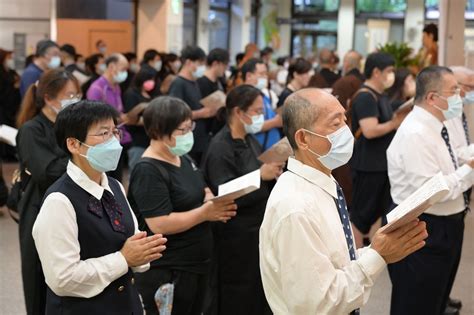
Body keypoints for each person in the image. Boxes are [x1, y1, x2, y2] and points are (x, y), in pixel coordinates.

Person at [259, 88, 428, 314]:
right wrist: (378, 257)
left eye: (345, 120)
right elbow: (319, 303)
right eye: (335, 124)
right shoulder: (295, 207)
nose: (346, 132)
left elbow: (335, 263)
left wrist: (376, 249)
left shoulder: (322, 181)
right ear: (303, 138)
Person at [32, 100, 167, 314]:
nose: (113, 141)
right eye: (103, 134)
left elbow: (131, 241)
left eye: (115, 132)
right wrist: (123, 259)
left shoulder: (113, 186)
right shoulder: (59, 201)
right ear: (73, 144)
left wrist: (143, 252)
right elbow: (62, 279)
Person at [127, 96, 237, 315]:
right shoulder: (148, 170)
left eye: (190, 127)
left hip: (197, 262)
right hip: (170, 268)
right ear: (159, 132)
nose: (189, 134)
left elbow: (201, 187)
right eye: (182, 130)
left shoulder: (182, 157)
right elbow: (160, 223)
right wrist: (205, 213)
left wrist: (212, 202)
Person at [387, 66, 474, 315]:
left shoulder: (435, 125)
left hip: (445, 224)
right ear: (433, 98)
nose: (460, 96)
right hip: (425, 227)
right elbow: (435, 191)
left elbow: (451, 158)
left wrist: (467, 159)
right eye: (454, 91)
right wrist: (469, 169)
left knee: (435, 298)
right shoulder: (415, 133)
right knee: (416, 303)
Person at [202, 85, 282, 315]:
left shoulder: (248, 139)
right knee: (238, 292)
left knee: (258, 289)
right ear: (238, 112)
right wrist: (260, 175)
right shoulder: (220, 147)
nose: (260, 118)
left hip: (257, 228)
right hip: (235, 235)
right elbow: (223, 193)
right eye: (257, 112)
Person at [16, 69, 81, 314]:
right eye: (69, 95)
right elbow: (47, 171)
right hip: (39, 209)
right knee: (39, 279)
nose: (74, 99)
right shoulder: (32, 130)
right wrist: (83, 158)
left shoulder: (69, 126)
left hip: (72, 207)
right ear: (48, 97)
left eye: (77, 94)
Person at [349, 52, 404, 248]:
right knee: (361, 215)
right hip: (368, 165)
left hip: (380, 164)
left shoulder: (380, 95)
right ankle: (356, 256)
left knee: (377, 212)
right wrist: (395, 123)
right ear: (376, 72)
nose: (392, 76)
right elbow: (370, 130)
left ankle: (372, 250)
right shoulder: (366, 96)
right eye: (389, 71)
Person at [86, 53, 131, 181]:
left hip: (118, 139)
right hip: (104, 143)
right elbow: (94, 119)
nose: (125, 73)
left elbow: (118, 110)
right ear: (112, 67)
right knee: (105, 180)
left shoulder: (116, 86)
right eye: (123, 69)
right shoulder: (97, 88)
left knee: (117, 180)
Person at [168, 46, 217, 165]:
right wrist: (201, 113)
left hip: (200, 138)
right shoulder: (178, 83)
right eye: (200, 63)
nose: (202, 67)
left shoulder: (194, 82)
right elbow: (174, 113)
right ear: (189, 62)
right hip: (185, 140)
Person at [241, 58, 281, 150]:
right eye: (261, 74)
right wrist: (276, 122)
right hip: (256, 152)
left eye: (265, 74)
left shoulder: (263, 95)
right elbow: (249, 126)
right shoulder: (243, 97)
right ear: (249, 76)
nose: (265, 77)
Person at [123, 67, 155, 171]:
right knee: (136, 169)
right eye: (149, 79)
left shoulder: (148, 94)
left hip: (148, 139)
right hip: (136, 139)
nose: (152, 82)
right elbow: (130, 118)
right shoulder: (131, 93)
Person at [197, 48, 229, 135]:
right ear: (216, 63)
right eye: (224, 65)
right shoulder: (201, 82)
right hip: (205, 131)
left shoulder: (219, 82)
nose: (225, 68)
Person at [0, 48, 21, 160]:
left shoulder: (10, 71)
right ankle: (5, 154)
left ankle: (10, 152)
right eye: (9, 57)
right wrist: (14, 86)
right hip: (3, 108)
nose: (11, 60)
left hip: (12, 107)